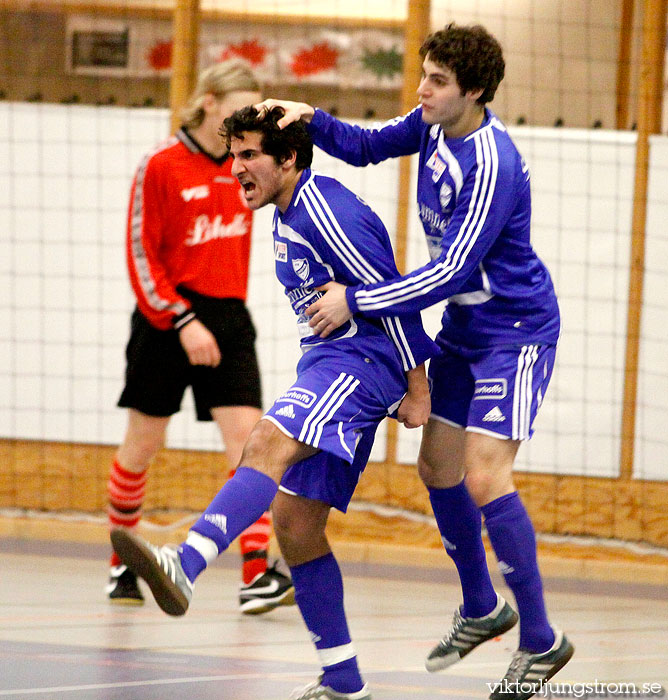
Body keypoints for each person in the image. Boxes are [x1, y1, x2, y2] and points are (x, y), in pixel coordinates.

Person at [257, 21, 574, 700]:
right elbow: (369, 146)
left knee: (486, 478)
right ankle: (482, 607)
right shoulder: (434, 124)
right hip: (465, 330)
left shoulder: (492, 162)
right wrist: (312, 119)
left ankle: (541, 640)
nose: (422, 90)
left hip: (514, 332)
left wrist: (357, 301)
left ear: (476, 91)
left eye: (436, 81)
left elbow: (451, 270)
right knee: (437, 468)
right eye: (423, 75)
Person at [110, 105, 437, 700]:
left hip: (361, 363)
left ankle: (185, 564)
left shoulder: (327, 210)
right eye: (232, 155)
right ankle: (342, 680)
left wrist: (417, 385)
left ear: (289, 158)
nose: (236, 168)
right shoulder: (283, 211)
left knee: (263, 440)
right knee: (295, 524)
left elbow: (394, 292)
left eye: (249, 155)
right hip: (332, 364)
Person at [106, 60, 295, 616]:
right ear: (209, 101)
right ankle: (122, 563)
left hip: (229, 316)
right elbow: (141, 255)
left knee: (252, 443)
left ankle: (257, 572)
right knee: (143, 444)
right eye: (241, 104)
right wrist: (181, 320)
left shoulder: (247, 166)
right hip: (168, 316)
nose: (249, 116)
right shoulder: (161, 165)